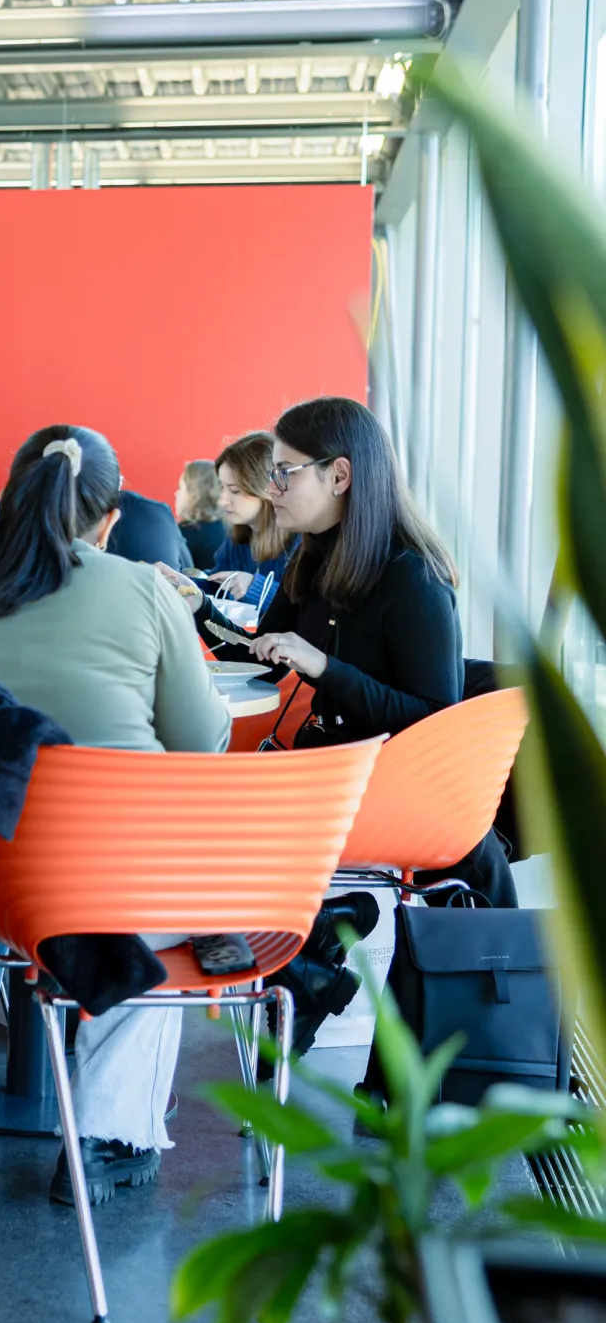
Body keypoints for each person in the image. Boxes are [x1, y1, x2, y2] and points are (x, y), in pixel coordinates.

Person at [0, 425, 230, 1206]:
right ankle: (103, 1136)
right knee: (159, 904)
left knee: (134, 888)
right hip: (109, 890)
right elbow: (199, 747)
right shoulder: (144, 590)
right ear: (107, 521)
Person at [159, 396, 514, 1051]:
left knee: (224, 812)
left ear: (340, 477)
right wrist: (193, 607)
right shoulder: (314, 557)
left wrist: (325, 668)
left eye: (286, 473)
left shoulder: (414, 577)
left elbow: (434, 716)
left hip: (389, 783)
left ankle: (309, 951)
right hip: (327, 768)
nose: (273, 488)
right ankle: (312, 949)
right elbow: (258, 653)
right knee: (201, 801)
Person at [208, 431, 296, 603]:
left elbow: (306, 611)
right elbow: (214, 585)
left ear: (267, 488)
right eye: (222, 487)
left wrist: (255, 587)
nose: (222, 501)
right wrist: (179, 581)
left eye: (234, 490)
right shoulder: (236, 539)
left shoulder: (301, 542)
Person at [174, 459, 225, 569]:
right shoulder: (232, 530)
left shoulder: (183, 533)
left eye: (181, 488)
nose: (176, 493)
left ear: (194, 494)